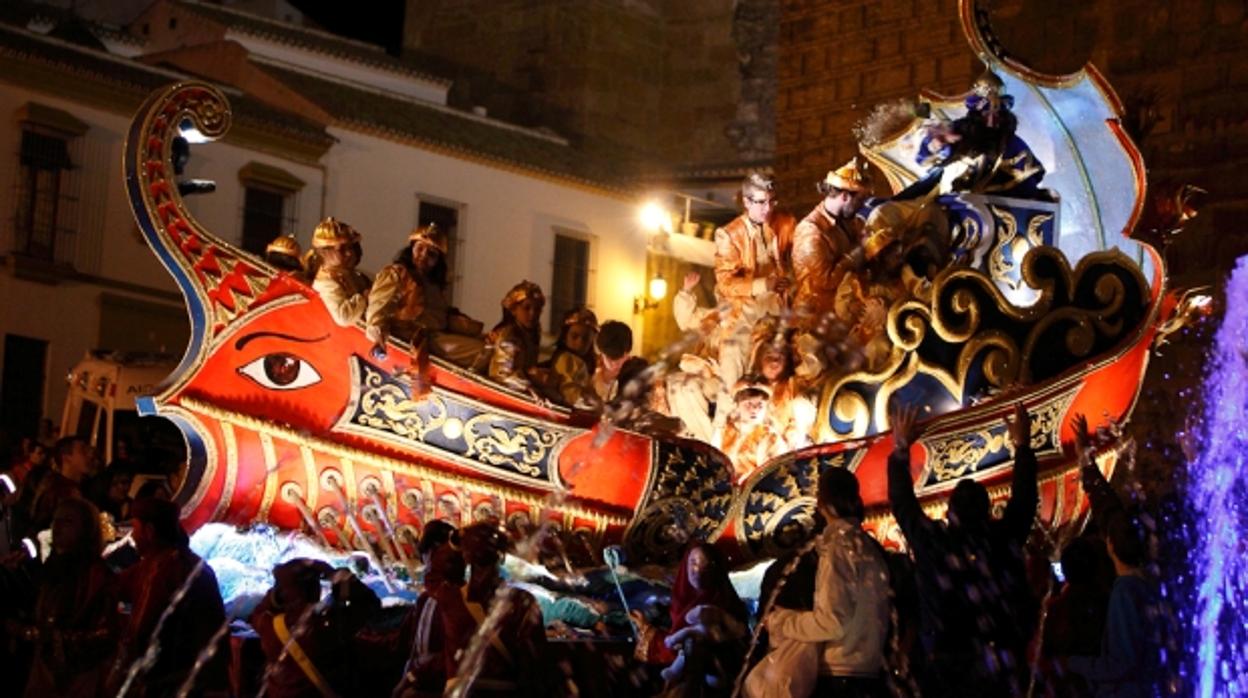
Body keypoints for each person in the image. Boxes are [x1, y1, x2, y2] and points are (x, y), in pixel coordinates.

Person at [887, 401, 1038, 696]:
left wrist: (900, 451)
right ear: (989, 511)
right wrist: (1023, 447)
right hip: (997, 664)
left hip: (944, 669)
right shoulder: (1001, 539)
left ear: (948, 512)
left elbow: (902, 503)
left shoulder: (934, 543)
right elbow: (1024, 501)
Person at [763, 467, 890, 696]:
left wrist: (781, 620)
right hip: (869, 672)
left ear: (823, 504)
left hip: (840, 676)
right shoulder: (868, 546)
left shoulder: (837, 548)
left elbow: (832, 622)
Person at [1061, 414, 1160, 697]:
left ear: (1110, 546)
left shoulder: (1125, 593)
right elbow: (1110, 512)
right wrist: (1086, 461)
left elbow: (1121, 663)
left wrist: (1073, 664)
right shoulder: (1152, 582)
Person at [109, 497, 228, 698]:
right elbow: (114, 586)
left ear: (149, 531)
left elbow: (144, 631)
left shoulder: (168, 568)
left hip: (174, 683)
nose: (132, 536)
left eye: (135, 529)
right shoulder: (163, 563)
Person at [12, 498, 118, 698]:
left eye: (67, 521)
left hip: (77, 681)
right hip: (43, 674)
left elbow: (104, 635)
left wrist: (49, 637)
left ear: (86, 528)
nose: (57, 527)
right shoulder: (51, 568)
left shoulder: (96, 576)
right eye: (55, 520)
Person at [442, 522, 552, 696]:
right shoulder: (521, 601)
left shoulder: (449, 600)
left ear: (465, 557)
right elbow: (534, 665)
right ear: (501, 556)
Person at [713, 172, 797, 391]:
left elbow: (799, 260)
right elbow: (725, 283)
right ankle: (726, 418)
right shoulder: (728, 235)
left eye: (772, 201)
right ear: (746, 201)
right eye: (761, 202)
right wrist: (762, 285)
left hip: (782, 309)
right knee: (732, 360)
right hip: (744, 313)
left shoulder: (785, 223)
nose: (768, 208)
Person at [251, 558, 381, 697]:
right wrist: (338, 577)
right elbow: (370, 604)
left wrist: (277, 594)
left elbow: (257, 612)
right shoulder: (324, 626)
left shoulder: (268, 625)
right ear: (313, 589)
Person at [632, 542, 749, 696]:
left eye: (706, 566)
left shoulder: (725, 607)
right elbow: (670, 642)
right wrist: (644, 627)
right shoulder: (675, 602)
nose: (697, 571)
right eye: (693, 562)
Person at [366, 224, 485, 367]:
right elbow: (378, 306)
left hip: (437, 337)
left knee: (486, 345)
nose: (424, 255)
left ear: (438, 261)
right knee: (480, 351)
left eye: (431, 254)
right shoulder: (396, 273)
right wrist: (379, 339)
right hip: (415, 339)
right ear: (411, 249)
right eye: (420, 248)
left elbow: (441, 316)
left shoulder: (434, 285)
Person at [791, 158, 873, 329]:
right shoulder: (810, 231)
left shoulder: (851, 221)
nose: (862, 206)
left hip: (849, 304)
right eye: (859, 201)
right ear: (844, 196)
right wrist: (857, 253)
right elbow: (825, 281)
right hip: (819, 319)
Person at [393, 536, 466, 698]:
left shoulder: (462, 603)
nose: (427, 570)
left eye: (433, 568)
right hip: (419, 676)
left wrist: (412, 677)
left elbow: (450, 655)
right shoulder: (425, 599)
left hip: (439, 683)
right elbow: (409, 642)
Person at [472, 281, 557, 401]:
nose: (532, 313)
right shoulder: (510, 334)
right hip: (500, 395)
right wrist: (529, 384)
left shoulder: (533, 333)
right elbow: (502, 375)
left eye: (537, 309)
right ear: (514, 310)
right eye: (526, 308)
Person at [715, 377, 779, 483]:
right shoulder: (723, 431)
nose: (754, 409)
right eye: (748, 404)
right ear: (737, 406)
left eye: (760, 405)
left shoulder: (769, 436)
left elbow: (767, 472)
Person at [310, 217, 371, 327]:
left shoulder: (351, 274)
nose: (349, 253)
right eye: (342, 249)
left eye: (350, 247)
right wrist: (365, 298)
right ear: (324, 252)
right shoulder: (325, 283)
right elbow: (343, 318)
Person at [542, 307, 601, 410]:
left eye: (585, 338)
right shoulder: (565, 359)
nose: (580, 343)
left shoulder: (590, 364)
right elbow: (568, 388)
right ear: (565, 337)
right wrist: (585, 400)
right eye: (574, 336)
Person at [592, 320, 634, 402]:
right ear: (601, 353)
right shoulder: (591, 380)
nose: (615, 364)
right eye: (610, 358)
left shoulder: (637, 378)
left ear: (628, 352)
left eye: (620, 357)